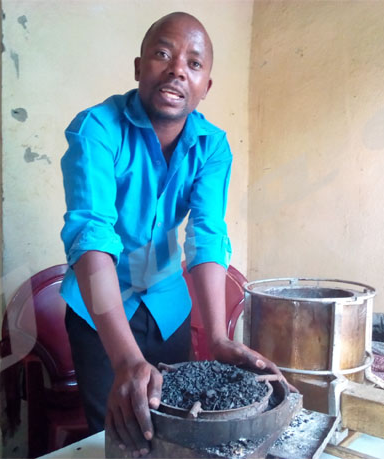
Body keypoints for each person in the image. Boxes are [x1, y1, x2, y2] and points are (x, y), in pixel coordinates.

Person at [59, 12, 288, 457]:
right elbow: (92, 236)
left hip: (169, 311)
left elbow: (206, 234)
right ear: (139, 67)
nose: (178, 69)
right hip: (99, 317)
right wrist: (124, 358)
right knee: (121, 436)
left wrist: (219, 338)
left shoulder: (212, 146)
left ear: (205, 86)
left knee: (173, 433)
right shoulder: (97, 130)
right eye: (163, 54)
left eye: (194, 64)